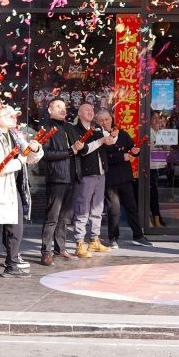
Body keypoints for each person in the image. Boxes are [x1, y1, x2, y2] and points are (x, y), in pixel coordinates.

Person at [0, 105, 42, 277]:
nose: (12, 118)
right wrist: (19, 161)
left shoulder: (16, 135)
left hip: (14, 186)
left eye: (13, 115)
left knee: (15, 227)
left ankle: (12, 263)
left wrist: (35, 149)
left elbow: (30, 159)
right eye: (7, 115)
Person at [97, 107, 151, 247]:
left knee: (131, 207)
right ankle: (113, 238)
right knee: (114, 209)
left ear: (112, 119)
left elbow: (133, 149)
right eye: (101, 120)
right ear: (97, 122)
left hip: (125, 177)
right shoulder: (98, 137)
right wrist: (122, 156)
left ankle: (138, 236)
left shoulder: (122, 134)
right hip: (110, 178)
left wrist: (135, 151)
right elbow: (103, 158)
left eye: (107, 119)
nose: (105, 122)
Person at [38, 97, 80, 264]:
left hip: (71, 177)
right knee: (52, 217)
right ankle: (45, 251)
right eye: (58, 106)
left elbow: (78, 148)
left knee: (64, 218)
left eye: (64, 107)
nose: (63, 110)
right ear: (50, 110)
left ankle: (60, 249)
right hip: (56, 178)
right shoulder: (46, 128)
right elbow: (45, 154)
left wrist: (80, 148)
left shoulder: (69, 127)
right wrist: (69, 151)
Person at [72, 101, 115, 254]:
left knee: (98, 208)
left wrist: (111, 137)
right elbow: (83, 150)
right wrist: (102, 140)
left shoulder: (97, 128)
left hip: (101, 173)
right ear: (79, 113)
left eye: (92, 110)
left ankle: (94, 240)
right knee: (83, 209)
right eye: (87, 110)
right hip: (86, 174)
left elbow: (109, 140)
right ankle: (79, 242)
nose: (91, 112)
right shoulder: (75, 130)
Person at [148, 111, 171, 228]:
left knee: (155, 194)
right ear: (149, 120)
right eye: (154, 118)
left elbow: (167, 151)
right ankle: (153, 219)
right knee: (152, 194)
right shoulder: (148, 132)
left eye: (159, 118)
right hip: (149, 167)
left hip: (160, 166)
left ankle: (156, 218)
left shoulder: (162, 132)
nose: (157, 120)